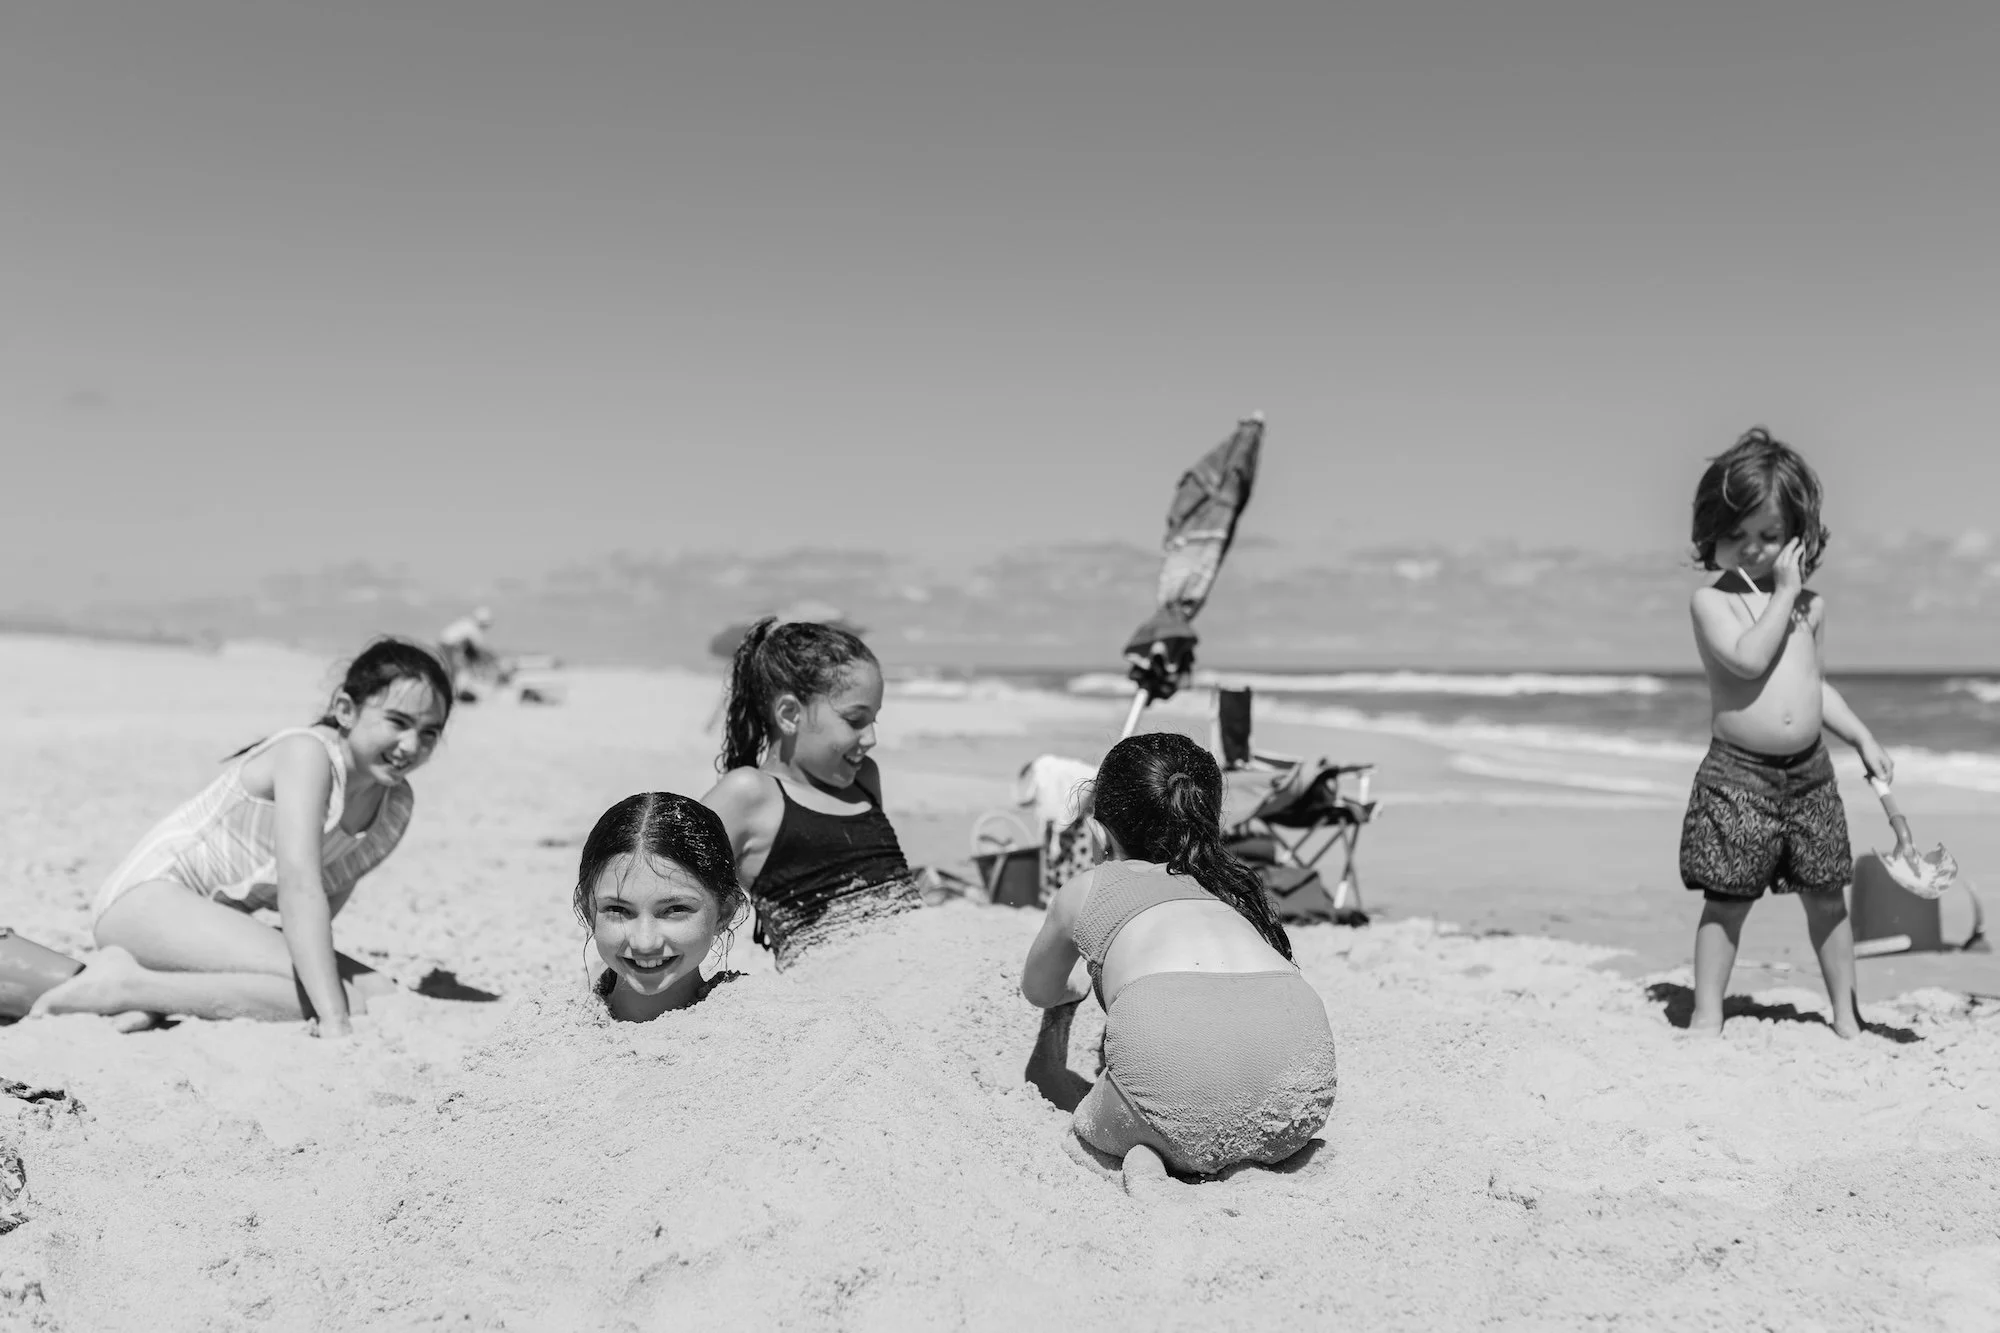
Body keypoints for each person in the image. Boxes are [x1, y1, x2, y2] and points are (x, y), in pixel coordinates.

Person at [33, 639, 453, 1036]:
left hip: (208, 926)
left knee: (381, 994)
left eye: (429, 733)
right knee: (342, 1002)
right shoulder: (307, 754)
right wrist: (334, 1020)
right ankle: (125, 985)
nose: (410, 745)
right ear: (345, 709)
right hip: (147, 901)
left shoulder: (394, 805)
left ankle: (155, 991)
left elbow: (324, 902)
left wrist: (279, 971)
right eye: (398, 722)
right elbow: (299, 887)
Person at [1020, 732, 1338, 1193]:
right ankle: (1257, 1148)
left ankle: (1148, 1153)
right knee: (1221, 1093)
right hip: (1300, 1093)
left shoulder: (1088, 889)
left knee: (1089, 1123)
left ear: (1098, 833)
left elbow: (1038, 991)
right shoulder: (1232, 890)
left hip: (1176, 1096)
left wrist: (1070, 993)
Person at [1681, 427, 1892, 1039]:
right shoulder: (1713, 603)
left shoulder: (1811, 608)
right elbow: (1749, 660)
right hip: (1738, 775)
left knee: (1827, 896)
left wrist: (1862, 737)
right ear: (1711, 532)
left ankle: (1847, 1016)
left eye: (1769, 536)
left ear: (1799, 536)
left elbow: (1814, 686)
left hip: (1809, 775)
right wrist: (1785, 593)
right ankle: (1707, 1015)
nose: (1752, 549)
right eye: (1736, 534)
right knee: (1728, 899)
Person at [699, 618, 921, 970]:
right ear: (789, 714)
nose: (871, 739)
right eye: (855, 720)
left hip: (920, 970)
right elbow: (665, 883)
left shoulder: (863, 779)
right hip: (831, 990)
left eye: (874, 720)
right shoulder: (750, 794)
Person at [573, 792, 747, 1021]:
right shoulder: (543, 1027)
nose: (645, 943)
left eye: (675, 909)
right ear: (588, 910)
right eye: (618, 910)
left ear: (724, 912)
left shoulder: (768, 1028)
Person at [439, 606, 496, 698]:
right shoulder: (473, 628)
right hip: (449, 646)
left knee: (452, 669)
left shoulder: (467, 623)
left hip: (447, 645)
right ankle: (451, 692)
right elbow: (478, 647)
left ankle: (452, 690)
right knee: (452, 669)